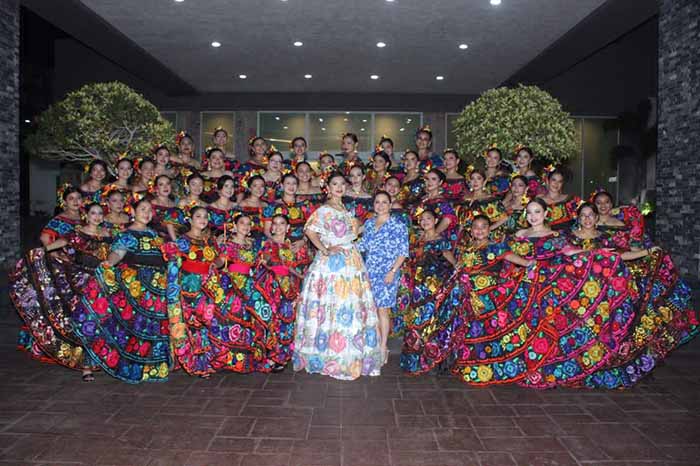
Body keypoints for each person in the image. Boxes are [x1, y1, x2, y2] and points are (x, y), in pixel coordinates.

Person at [569, 203, 699, 388]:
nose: (587, 219)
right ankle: (576, 369)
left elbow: (622, 256)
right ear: (578, 218)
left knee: (605, 328)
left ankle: (601, 368)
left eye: (591, 215)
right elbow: (564, 256)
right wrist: (591, 253)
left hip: (603, 291)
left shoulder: (606, 238)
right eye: (583, 215)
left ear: (597, 218)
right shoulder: (570, 238)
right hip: (577, 291)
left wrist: (648, 252)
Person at [401, 215, 536, 377]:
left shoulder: (496, 247)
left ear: (489, 229)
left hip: (485, 298)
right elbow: (458, 267)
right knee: (455, 327)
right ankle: (453, 362)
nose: (479, 230)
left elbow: (513, 258)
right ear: (471, 231)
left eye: (483, 227)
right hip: (464, 296)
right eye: (476, 227)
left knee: (482, 331)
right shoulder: (466, 249)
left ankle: (484, 366)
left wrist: (529, 264)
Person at [294, 172, 383, 380]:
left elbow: (355, 232)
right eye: (335, 184)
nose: (339, 187)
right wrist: (325, 249)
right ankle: (330, 353)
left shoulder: (346, 209)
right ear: (328, 187)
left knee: (350, 304)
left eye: (342, 183)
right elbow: (310, 231)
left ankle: (349, 353)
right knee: (333, 302)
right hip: (332, 265)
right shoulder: (324, 210)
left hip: (352, 260)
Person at [72, 198, 170, 383]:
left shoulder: (156, 235)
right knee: (132, 327)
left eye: (149, 210)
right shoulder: (127, 235)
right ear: (132, 212)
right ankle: (125, 366)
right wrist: (108, 264)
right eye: (142, 209)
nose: (147, 213)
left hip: (157, 288)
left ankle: (149, 368)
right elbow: (118, 253)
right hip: (136, 287)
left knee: (153, 328)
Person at [10, 202, 112, 381]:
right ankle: (86, 366)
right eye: (93, 213)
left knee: (102, 322)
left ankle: (102, 359)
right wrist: (41, 252)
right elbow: (60, 243)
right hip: (81, 282)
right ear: (86, 215)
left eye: (99, 213)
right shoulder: (77, 233)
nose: (97, 217)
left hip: (103, 282)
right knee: (85, 321)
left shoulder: (108, 234)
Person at [163, 206, 263, 377]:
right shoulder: (182, 241)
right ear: (190, 219)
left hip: (209, 285)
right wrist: (176, 288)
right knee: (194, 325)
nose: (202, 219)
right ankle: (197, 365)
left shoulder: (210, 241)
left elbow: (218, 260)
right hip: (190, 287)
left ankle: (207, 361)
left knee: (208, 324)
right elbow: (174, 265)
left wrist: (216, 267)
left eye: (205, 216)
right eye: (198, 216)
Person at [357, 191, 409, 363]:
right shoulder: (369, 223)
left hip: (388, 272)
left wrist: (392, 271)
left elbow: (403, 252)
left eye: (384, 202)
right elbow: (362, 245)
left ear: (390, 204)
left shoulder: (398, 225)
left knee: (383, 309)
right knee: (370, 308)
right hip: (369, 270)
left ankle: (383, 346)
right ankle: (373, 343)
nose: (380, 205)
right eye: (377, 202)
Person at [256, 214, 310, 371]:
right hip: (271, 286)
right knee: (271, 320)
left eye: (282, 223)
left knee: (286, 320)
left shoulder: (292, 246)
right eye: (275, 223)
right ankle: (269, 356)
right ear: (271, 227)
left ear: (288, 228)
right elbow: (266, 261)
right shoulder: (267, 244)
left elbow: (294, 268)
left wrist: (301, 277)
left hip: (288, 287)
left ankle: (281, 357)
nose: (278, 226)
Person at [262, 173, 309, 254]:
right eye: (288, 183)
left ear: (297, 186)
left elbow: (311, 227)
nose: (291, 186)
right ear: (282, 186)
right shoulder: (272, 206)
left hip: (300, 245)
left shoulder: (305, 204)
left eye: (294, 183)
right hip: (278, 245)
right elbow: (267, 231)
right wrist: (280, 244)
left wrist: (303, 241)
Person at [236, 173, 268, 249]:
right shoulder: (243, 204)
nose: (259, 189)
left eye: (262, 186)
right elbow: (238, 224)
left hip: (264, 240)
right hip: (248, 240)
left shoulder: (266, 205)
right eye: (255, 186)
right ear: (250, 188)